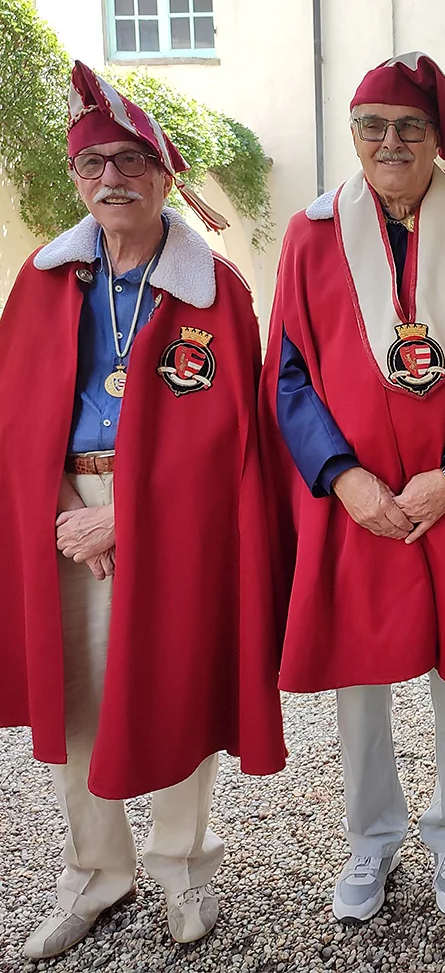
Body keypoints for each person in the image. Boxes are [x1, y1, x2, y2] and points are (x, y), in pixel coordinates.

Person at [0, 61, 286, 959]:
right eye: (92, 166)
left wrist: (131, 516)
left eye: (128, 161)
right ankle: (95, 873)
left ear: (164, 175)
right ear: (76, 180)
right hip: (61, 513)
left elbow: (236, 437)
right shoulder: (45, 281)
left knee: (171, 690)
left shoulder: (215, 291)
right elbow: (13, 408)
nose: (110, 180)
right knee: (77, 699)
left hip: (172, 519)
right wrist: (54, 510)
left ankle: (182, 868)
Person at [260, 52, 445, 924]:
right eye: (372, 126)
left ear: (436, 139)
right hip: (361, 502)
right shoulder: (311, 234)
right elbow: (289, 373)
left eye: (409, 127)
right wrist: (342, 479)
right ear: (353, 135)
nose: (390, 142)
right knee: (359, 676)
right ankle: (371, 837)